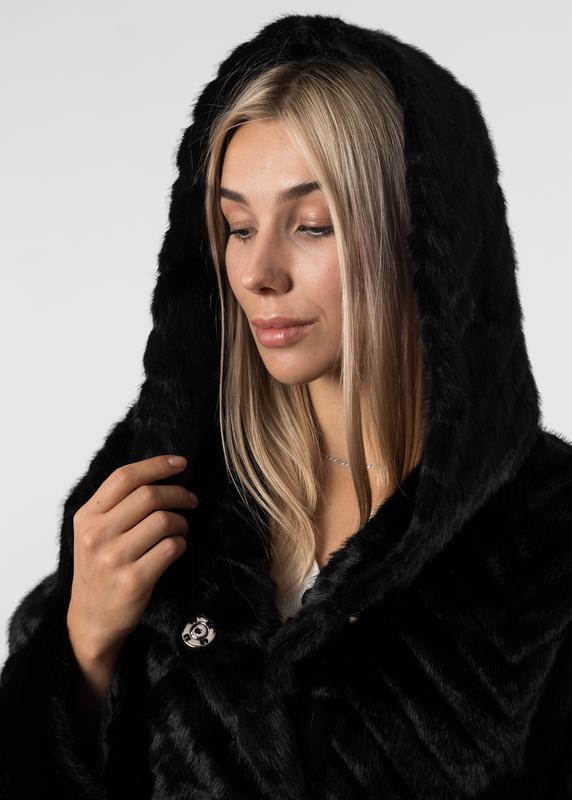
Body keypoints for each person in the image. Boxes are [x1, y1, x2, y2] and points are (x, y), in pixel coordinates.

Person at [1, 12, 571, 799]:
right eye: (237, 226)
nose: (258, 271)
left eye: (311, 225)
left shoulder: (546, 534)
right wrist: (81, 649)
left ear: (421, 238)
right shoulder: (165, 489)